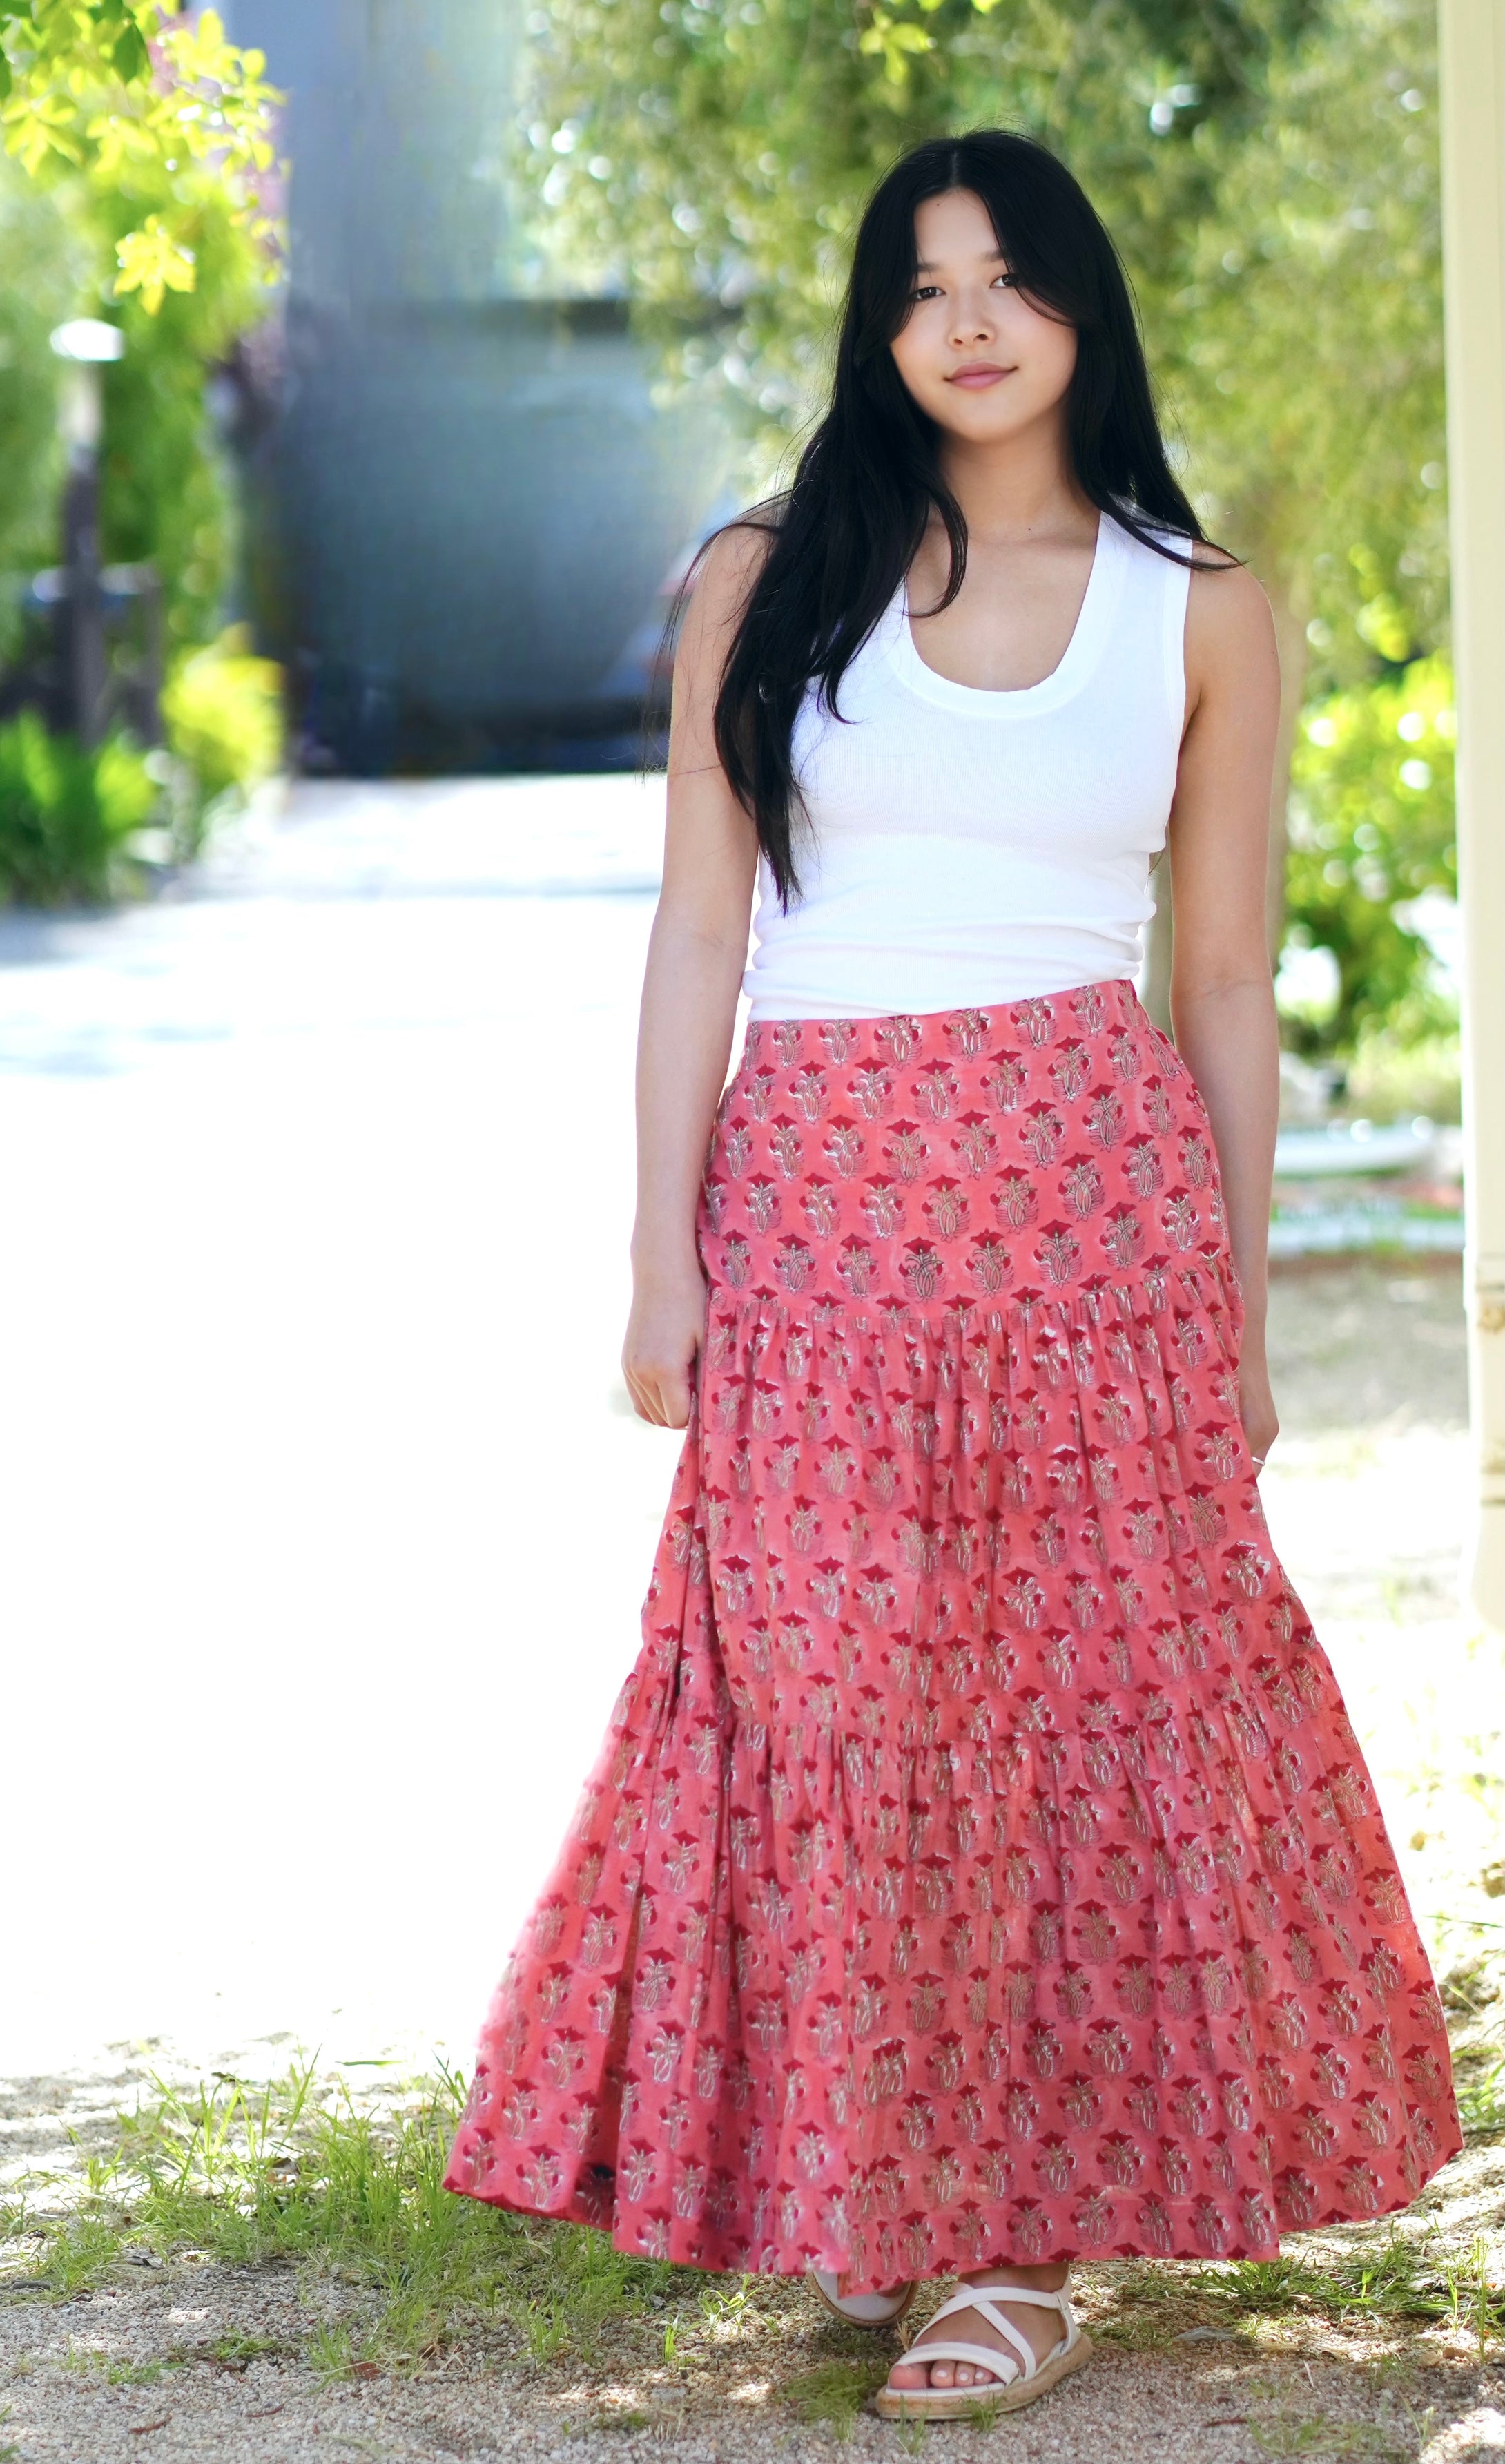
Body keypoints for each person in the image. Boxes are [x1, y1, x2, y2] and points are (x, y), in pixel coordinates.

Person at [445, 129, 1460, 2423]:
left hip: (1091, 1222)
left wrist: (1238, 1315)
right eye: (923, 287)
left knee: (1063, 1709)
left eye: (1009, 276)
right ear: (875, 328)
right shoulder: (761, 576)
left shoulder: (1197, 608)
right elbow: (699, 929)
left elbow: (1221, 985)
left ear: (1083, 304)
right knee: (837, 1704)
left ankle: (1010, 2248)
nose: (970, 321)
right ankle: (871, 2188)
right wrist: (656, 1252)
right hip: (814, 1208)